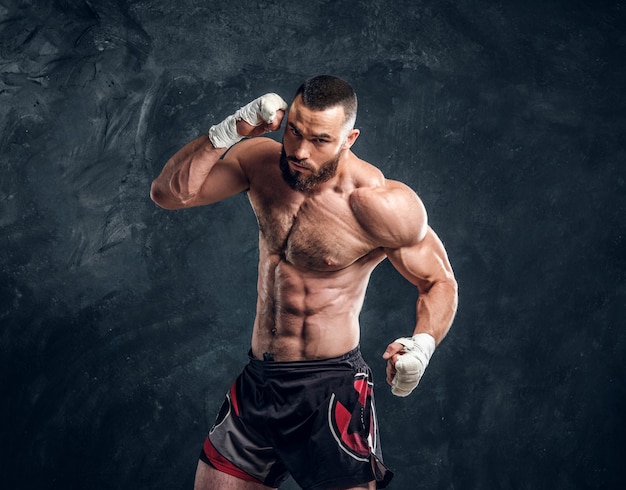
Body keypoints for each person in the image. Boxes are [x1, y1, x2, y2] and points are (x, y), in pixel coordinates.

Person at [150, 75, 458, 490]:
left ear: (350, 138)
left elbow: (439, 281)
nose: (298, 151)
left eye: (319, 140)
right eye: (294, 131)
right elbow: (170, 194)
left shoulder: (377, 204)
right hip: (259, 382)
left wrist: (422, 346)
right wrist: (229, 131)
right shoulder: (260, 162)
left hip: (328, 389)